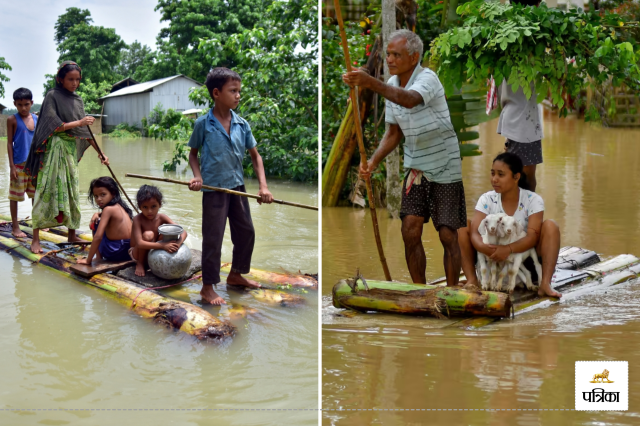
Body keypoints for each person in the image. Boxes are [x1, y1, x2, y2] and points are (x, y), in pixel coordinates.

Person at [342, 29, 466, 286]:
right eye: (388, 54)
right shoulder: (393, 86)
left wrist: (370, 83)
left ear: (414, 57)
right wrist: (372, 162)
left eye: (396, 55)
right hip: (416, 166)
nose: (389, 59)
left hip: (444, 163)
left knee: (447, 234)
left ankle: (452, 291)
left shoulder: (427, 78)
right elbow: (394, 133)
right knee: (409, 230)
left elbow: (409, 100)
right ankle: (420, 291)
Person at [187, 67, 274, 305]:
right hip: (214, 191)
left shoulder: (242, 124)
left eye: (239, 91)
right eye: (233, 91)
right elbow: (193, 155)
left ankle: (236, 275)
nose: (238, 96)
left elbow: (256, 157)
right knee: (213, 238)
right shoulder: (203, 124)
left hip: (237, 188)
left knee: (246, 232)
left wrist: (263, 187)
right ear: (216, 93)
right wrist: (197, 177)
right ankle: (207, 287)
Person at [24, 61, 109, 254]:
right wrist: (79, 121)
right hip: (54, 149)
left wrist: (101, 153)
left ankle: (71, 233)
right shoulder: (52, 96)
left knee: (71, 190)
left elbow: (84, 131)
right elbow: (52, 125)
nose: (74, 83)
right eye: (70, 79)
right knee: (45, 190)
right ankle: (35, 238)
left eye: (77, 79)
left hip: (69, 151)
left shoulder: (77, 100)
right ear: (60, 79)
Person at [457, 152, 562, 298]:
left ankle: (545, 283)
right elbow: (475, 232)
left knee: (551, 226)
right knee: (462, 226)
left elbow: (532, 236)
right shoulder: (486, 199)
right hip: (490, 262)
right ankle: (472, 279)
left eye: (501, 174)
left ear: (516, 177)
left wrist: (507, 249)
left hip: (523, 264)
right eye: (492, 173)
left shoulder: (533, 200)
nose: (494, 179)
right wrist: (487, 249)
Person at [496, 0, 544, 192]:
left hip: (516, 117)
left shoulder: (504, 33)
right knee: (525, 176)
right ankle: (526, 218)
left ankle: (522, 217)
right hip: (523, 120)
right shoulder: (533, 36)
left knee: (518, 175)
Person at [129, 185, 187, 277]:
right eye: (145, 207)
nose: (149, 211)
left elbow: (183, 232)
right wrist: (163, 246)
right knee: (148, 234)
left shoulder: (162, 217)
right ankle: (140, 264)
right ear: (140, 207)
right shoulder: (137, 219)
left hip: (152, 248)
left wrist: (178, 244)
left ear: (159, 205)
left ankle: (150, 260)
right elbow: (139, 243)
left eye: (153, 206)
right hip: (137, 253)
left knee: (167, 234)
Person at [77, 177, 133, 265]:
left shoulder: (107, 210)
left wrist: (88, 260)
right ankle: (98, 255)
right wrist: (98, 213)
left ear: (113, 193)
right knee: (98, 219)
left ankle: (98, 257)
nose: (99, 199)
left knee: (95, 223)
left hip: (116, 253)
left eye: (103, 194)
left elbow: (98, 237)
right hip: (129, 252)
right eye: (96, 196)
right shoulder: (121, 206)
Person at [6, 88, 37, 238]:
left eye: (26, 104)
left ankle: (38, 223)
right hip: (19, 165)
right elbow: (9, 143)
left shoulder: (36, 119)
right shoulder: (12, 119)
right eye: (20, 105)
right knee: (15, 197)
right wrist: (12, 166)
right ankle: (15, 227)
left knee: (35, 196)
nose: (23, 108)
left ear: (31, 103)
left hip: (34, 165)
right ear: (15, 104)